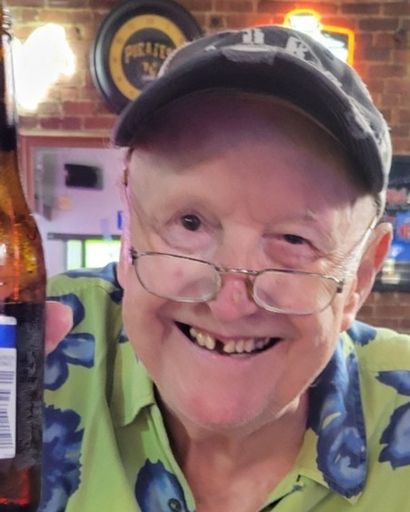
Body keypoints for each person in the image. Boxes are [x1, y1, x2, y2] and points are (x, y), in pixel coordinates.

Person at [40, 25, 410, 512]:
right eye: (189, 223)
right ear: (129, 237)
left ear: (358, 279)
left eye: (294, 240)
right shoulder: (37, 354)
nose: (231, 304)